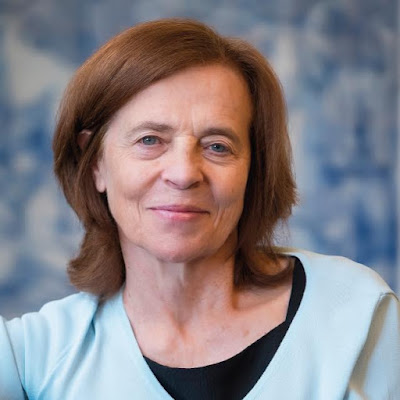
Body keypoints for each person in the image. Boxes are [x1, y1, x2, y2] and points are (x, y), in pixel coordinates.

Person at [1, 18, 399, 400]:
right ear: (95, 163)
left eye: (217, 146)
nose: (184, 174)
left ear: (253, 169)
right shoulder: (29, 358)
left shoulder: (357, 314)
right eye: (150, 140)